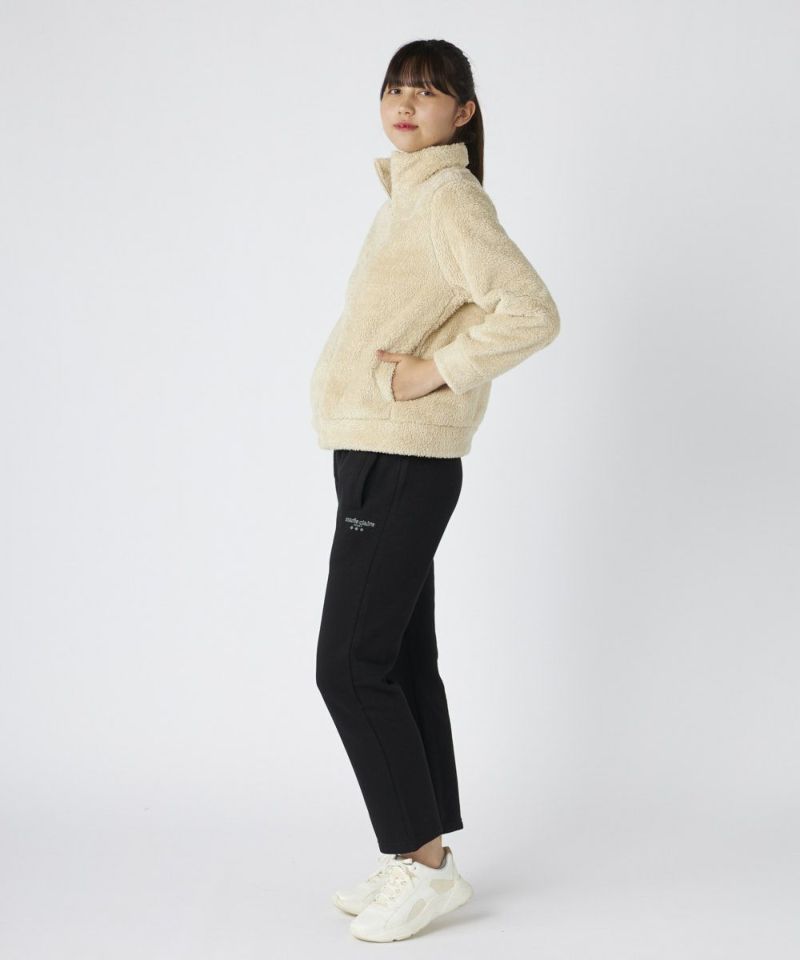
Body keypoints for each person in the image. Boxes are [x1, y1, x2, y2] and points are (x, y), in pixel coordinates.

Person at [310, 38, 560, 942]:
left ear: (465, 112)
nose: (406, 103)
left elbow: (531, 310)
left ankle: (421, 867)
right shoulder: (410, 197)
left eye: (428, 91)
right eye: (395, 88)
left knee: (348, 665)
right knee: (400, 660)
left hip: (403, 453)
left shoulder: (449, 199)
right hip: (376, 448)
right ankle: (424, 859)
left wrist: (432, 372)